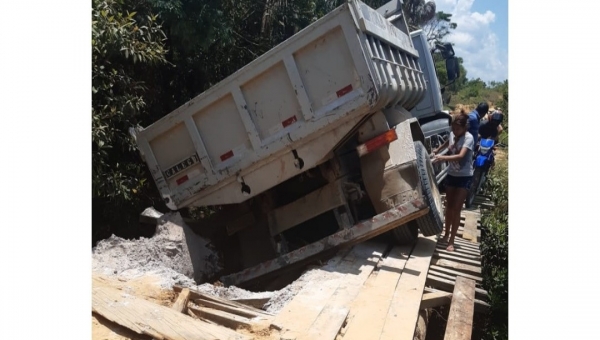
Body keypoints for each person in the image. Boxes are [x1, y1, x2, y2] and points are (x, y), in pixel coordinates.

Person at [431, 111, 474, 252]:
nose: (454, 132)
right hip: (451, 175)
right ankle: (446, 233)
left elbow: (461, 156)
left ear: (464, 128)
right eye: (453, 129)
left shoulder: (469, 138)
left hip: (464, 177)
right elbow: (447, 141)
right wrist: (438, 149)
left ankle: (452, 240)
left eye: (457, 129)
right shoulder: (452, 134)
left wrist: (442, 158)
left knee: (456, 208)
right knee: (448, 207)